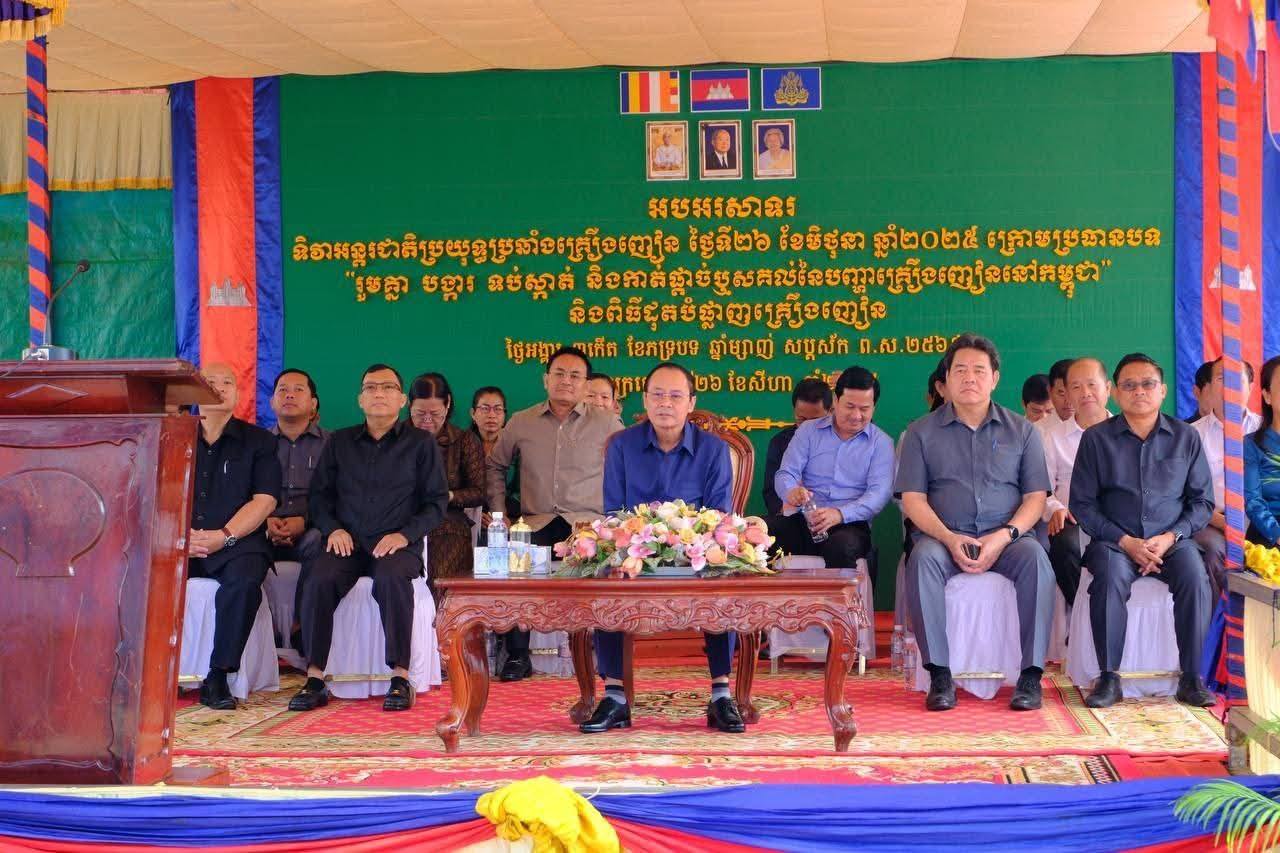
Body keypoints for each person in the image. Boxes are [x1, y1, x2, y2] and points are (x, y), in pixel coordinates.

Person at [896, 333, 1055, 713]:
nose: (970, 378)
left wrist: (1003, 537)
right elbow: (913, 500)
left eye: (979, 371)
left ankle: (1030, 676)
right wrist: (949, 538)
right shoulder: (920, 432)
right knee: (922, 560)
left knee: (1036, 559)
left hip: (1007, 539)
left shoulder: (1023, 431)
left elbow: (1035, 498)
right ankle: (940, 675)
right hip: (943, 537)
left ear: (995, 378)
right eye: (961, 370)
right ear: (947, 379)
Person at [585, 361, 741, 733]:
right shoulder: (622, 446)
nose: (665, 403)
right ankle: (615, 696)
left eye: (675, 396)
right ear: (644, 400)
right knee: (605, 573)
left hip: (695, 554)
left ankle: (721, 693)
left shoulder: (714, 450)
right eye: (657, 395)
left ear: (691, 402)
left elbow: (718, 515)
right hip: (635, 553)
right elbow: (614, 512)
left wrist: (686, 539)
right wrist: (638, 541)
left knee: (724, 574)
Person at [289, 364, 448, 713]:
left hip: (396, 544)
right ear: (360, 399)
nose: (379, 393)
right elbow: (319, 498)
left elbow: (436, 504)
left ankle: (400, 677)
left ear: (402, 400)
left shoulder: (421, 444)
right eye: (371, 387)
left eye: (388, 387)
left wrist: (404, 535)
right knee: (319, 577)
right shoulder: (339, 442)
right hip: (347, 542)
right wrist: (333, 529)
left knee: (392, 577)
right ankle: (315, 678)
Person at [1069, 353, 1215, 709]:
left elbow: (1202, 503)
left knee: (1196, 577)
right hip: (1115, 542)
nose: (1139, 391)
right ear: (1116, 393)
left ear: (1163, 390)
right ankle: (1109, 678)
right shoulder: (1096, 440)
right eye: (1129, 385)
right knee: (1108, 578)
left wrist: (1170, 537)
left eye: (1148, 384)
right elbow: (1082, 505)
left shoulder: (1186, 437)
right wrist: (1125, 541)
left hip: (1172, 542)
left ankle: (1191, 678)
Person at [486, 346, 623, 681]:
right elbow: (495, 466)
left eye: (575, 376)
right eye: (559, 373)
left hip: (588, 525)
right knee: (515, 558)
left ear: (585, 384)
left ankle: (605, 655)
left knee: (608, 571)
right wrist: (500, 514)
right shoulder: (522, 421)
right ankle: (517, 655)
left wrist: (615, 521)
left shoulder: (607, 423)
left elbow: (626, 470)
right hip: (536, 521)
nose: (566, 381)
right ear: (545, 379)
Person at [187, 363, 282, 710]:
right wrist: (181, 537)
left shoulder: (260, 442)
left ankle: (219, 674)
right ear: (194, 392)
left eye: (227, 382)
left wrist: (224, 536)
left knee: (243, 583)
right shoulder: (174, 435)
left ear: (238, 394)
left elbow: (265, 500)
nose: (219, 387)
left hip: (237, 543)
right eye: (210, 382)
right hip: (181, 541)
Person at [769, 366, 893, 581]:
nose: (856, 415)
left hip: (850, 526)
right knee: (757, 533)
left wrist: (839, 514)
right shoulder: (808, 431)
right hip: (804, 520)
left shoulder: (881, 443)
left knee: (841, 547)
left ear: (874, 406)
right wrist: (791, 492)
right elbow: (785, 473)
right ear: (835, 400)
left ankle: (836, 605)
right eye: (850, 406)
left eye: (864, 409)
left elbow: (878, 496)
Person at [409, 372, 486, 600]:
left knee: (442, 576)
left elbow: (479, 492)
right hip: (403, 521)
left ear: (448, 404)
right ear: (408, 406)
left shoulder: (464, 440)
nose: (427, 420)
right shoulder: (397, 439)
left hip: (447, 522)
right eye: (419, 413)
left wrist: (447, 495)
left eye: (435, 414)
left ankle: (443, 618)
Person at [267, 368, 329, 654]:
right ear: (272, 402)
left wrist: (304, 521)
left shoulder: (332, 444)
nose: (289, 394)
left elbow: (338, 496)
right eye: (282, 389)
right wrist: (265, 522)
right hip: (264, 530)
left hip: (310, 530)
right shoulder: (258, 444)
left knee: (320, 540)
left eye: (298, 389)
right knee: (242, 546)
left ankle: (300, 627)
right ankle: (263, 630)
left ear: (313, 403)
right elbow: (244, 493)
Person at [1191, 357, 1262, 599]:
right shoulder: (1191, 435)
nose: (1230, 384)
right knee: (1211, 551)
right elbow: (1182, 494)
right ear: (1209, 387)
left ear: (1251, 387)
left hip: (1260, 519)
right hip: (1212, 520)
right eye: (1222, 378)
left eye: (1237, 378)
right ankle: (1219, 621)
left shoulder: (1266, 431)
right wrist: (1220, 521)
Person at [1043, 358, 1111, 605]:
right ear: (1068, 394)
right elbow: (1043, 490)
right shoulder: (1053, 438)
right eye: (1076, 387)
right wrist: (1055, 508)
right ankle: (1083, 612)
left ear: (1108, 388)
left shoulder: (1126, 432)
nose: (1085, 393)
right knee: (1064, 544)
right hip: (1073, 520)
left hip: (1120, 519)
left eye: (1092, 384)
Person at [762, 377, 833, 515]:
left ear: (830, 412)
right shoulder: (780, 442)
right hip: (794, 516)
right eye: (802, 420)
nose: (807, 427)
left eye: (814, 421)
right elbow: (770, 492)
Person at [1245, 355, 1280, 547]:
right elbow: (1253, 501)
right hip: (1268, 535)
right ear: (1267, 396)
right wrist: (1277, 534)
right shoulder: (1251, 445)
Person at [1045, 358, 1076, 429]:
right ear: (1050, 391)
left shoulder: (1097, 428)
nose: (1068, 401)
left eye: (1073, 392)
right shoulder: (1037, 430)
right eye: (1062, 394)